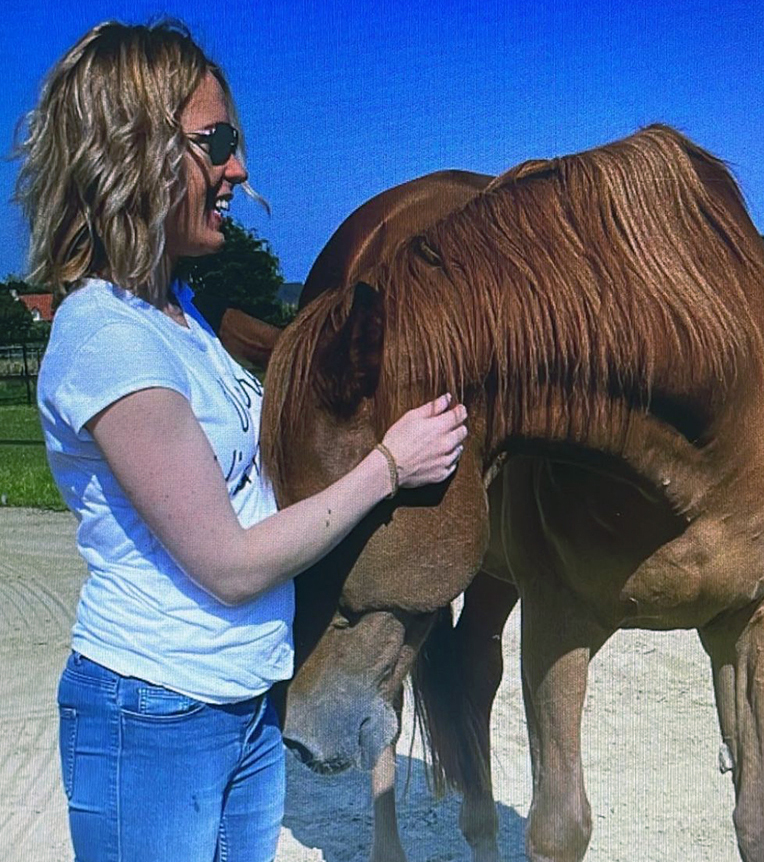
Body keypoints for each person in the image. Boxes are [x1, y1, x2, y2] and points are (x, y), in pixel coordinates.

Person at [16, 20, 468, 862]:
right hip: (155, 711)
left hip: (240, 701)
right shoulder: (108, 336)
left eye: (236, 142)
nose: (239, 169)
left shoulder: (180, 318)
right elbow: (228, 563)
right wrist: (390, 466)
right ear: (133, 150)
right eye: (215, 142)